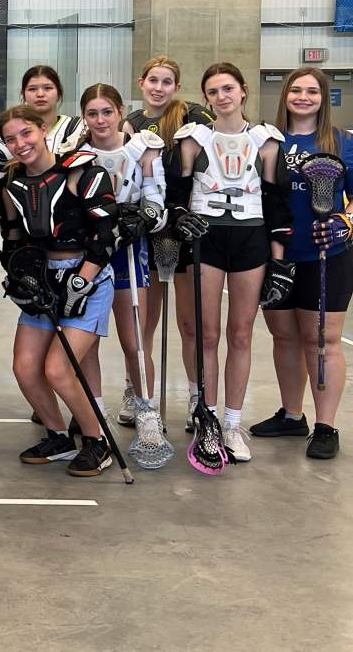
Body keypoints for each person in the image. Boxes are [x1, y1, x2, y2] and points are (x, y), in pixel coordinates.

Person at [167, 62, 293, 464]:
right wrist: (177, 216)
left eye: (228, 89)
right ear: (206, 99)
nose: (222, 97)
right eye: (213, 91)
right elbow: (176, 193)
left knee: (241, 334)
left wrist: (279, 263)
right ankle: (207, 418)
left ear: (242, 92)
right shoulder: (191, 139)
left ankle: (233, 423)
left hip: (251, 239)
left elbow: (277, 204)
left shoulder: (268, 141)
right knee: (206, 335)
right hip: (206, 239)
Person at [254, 68, 353, 459]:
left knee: (322, 341)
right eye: (296, 90)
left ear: (323, 97)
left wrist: (348, 220)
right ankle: (292, 416)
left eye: (312, 91)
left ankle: (325, 426)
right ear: (284, 95)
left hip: (327, 257)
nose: (303, 97)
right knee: (284, 338)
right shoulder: (265, 139)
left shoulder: (343, 142)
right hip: (274, 256)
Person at [0, 105, 120, 477]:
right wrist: (21, 276)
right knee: (24, 367)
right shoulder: (10, 185)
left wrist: (81, 281)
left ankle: (97, 442)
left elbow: (106, 235)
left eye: (26, 133)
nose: (20, 143)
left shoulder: (83, 172)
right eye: (11, 138)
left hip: (89, 276)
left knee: (58, 368)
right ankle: (59, 436)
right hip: (43, 279)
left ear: (43, 129)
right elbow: (13, 238)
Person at [121, 56, 213, 429]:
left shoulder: (192, 116)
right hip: (149, 231)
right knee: (144, 325)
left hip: (186, 228)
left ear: (176, 86)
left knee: (191, 325)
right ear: (142, 82)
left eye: (167, 81)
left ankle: (197, 397)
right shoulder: (131, 124)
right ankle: (136, 390)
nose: (159, 87)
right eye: (153, 80)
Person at [73, 84, 169, 446]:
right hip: (91, 256)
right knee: (89, 340)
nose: (100, 120)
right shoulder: (77, 157)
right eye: (93, 113)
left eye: (107, 112)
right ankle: (95, 412)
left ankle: (146, 411)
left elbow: (156, 203)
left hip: (130, 253)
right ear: (85, 117)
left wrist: (142, 218)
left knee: (135, 341)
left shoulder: (143, 151)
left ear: (120, 112)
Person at [0, 65, 86, 178]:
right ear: (23, 94)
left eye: (47, 88)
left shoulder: (78, 129)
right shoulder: (3, 142)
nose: (40, 94)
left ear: (59, 93)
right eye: (32, 89)